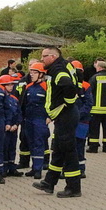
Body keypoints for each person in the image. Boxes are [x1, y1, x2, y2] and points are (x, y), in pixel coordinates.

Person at [33, 46, 81, 198]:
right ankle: (49, 182)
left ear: (53, 57)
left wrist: (68, 101)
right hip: (64, 114)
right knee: (59, 150)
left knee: (69, 151)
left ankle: (73, 188)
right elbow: (78, 79)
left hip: (65, 114)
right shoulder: (65, 65)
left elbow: (68, 85)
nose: (42, 59)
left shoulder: (57, 70)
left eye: (44, 56)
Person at [22, 63, 50, 179]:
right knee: (31, 143)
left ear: (41, 74)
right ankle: (34, 168)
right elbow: (24, 103)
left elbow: (50, 103)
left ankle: (38, 169)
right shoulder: (28, 87)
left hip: (40, 119)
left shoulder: (46, 87)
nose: (31, 74)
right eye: (31, 72)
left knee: (39, 143)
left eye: (34, 72)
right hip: (28, 119)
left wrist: (49, 117)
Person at [86, 60, 106, 153]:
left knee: (94, 129)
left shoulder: (95, 78)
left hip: (96, 109)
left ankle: (93, 147)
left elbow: (89, 91)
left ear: (99, 67)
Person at [0, 75, 23, 177]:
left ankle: (12, 167)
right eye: (8, 85)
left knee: (12, 147)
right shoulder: (0, 99)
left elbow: (19, 113)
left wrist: (16, 124)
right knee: (4, 147)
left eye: (12, 84)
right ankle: (3, 168)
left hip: (13, 128)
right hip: (4, 128)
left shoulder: (14, 99)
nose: (11, 87)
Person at [71, 60, 93, 179]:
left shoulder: (85, 86)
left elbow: (89, 104)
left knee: (79, 146)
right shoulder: (67, 85)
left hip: (81, 121)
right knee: (69, 146)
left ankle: (81, 169)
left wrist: (77, 115)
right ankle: (68, 168)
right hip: (69, 122)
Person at [16, 58, 38, 169]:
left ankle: (41, 163)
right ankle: (23, 162)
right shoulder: (23, 81)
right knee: (24, 138)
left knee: (39, 139)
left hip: (38, 115)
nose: (31, 67)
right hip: (24, 114)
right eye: (30, 65)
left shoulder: (45, 81)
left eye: (34, 65)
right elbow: (17, 97)